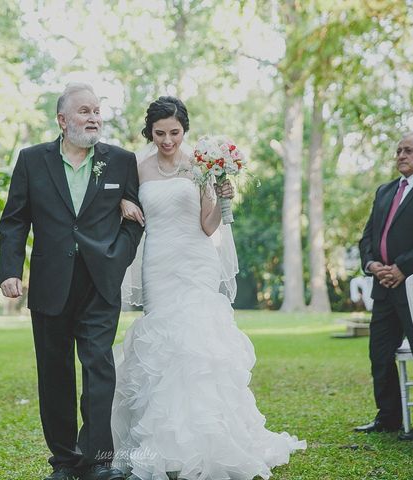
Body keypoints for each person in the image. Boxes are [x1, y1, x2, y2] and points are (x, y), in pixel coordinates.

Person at [114, 96, 305, 480]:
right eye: (160, 133)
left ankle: (208, 439)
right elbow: (119, 196)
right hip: (159, 263)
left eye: (175, 132)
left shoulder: (200, 165)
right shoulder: (137, 166)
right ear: (149, 133)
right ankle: (164, 443)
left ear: (185, 130)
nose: (168, 140)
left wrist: (223, 197)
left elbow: (207, 225)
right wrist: (121, 200)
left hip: (196, 261)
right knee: (165, 345)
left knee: (198, 345)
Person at [0, 83, 143, 480]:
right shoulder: (32, 160)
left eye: (97, 110)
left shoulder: (121, 161)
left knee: (98, 367)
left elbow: (136, 219)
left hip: (100, 282)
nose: (93, 117)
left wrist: (117, 259)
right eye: (83, 111)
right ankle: (64, 461)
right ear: (62, 120)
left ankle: (97, 460)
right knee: (55, 372)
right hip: (50, 283)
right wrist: (10, 270)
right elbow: (14, 220)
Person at [357, 132, 413, 441]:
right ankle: (388, 415)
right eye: (398, 151)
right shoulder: (385, 191)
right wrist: (372, 264)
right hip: (384, 287)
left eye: (409, 150)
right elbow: (368, 236)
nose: (401, 156)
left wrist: (402, 267)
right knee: (379, 353)